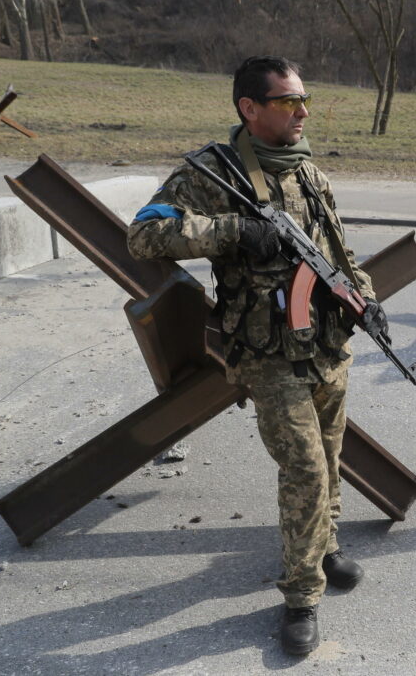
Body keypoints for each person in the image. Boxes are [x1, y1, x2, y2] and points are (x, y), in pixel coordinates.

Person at [127, 55, 388, 656]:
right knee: (305, 470)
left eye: (304, 100)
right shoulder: (213, 173)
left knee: (330, 455)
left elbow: (339, 252)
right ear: (249, 108)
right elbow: (142, 235)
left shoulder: (308, 172)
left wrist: (366, 300)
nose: (302, 112)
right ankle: (302, 597)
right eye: (287, 102)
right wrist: (234, 232)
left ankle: (324, 546)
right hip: (268, 354)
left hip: (327, 345)